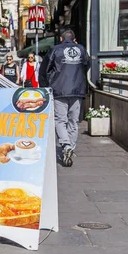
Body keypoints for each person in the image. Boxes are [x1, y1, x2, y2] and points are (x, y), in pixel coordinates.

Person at [39, 29, 90, 167]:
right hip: (77, 90)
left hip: (59, 90)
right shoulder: (81, 49)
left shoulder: (55, 50)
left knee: (60, 120)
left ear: (61, 39)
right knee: (74, 121)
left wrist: (44, 86)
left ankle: (66, 145)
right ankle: (70, 148)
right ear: (74, 39)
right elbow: (87, 65)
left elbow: (44, 69)